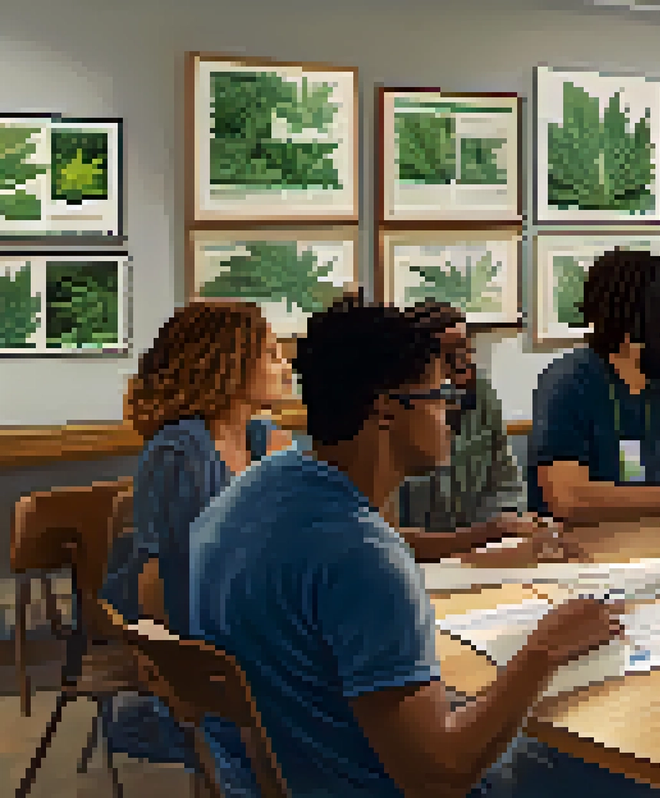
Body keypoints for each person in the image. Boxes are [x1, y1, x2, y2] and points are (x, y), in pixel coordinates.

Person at [186, 295, 622, 797]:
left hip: (264, 780)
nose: (451, 413)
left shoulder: (252, 493)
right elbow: (439, 775)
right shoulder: (363, 555)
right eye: (437, 396)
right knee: (620, 769)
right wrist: (545, 650)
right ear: (386, 411)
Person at [99, 300, 293, 768]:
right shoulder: (180, 450)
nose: (285, 365)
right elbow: (161, 575)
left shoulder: (272, 440)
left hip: (252, 621)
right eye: (270, 354)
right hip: (199, 634)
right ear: (227, 365)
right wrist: (183, 673)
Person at [527, 249, 660, 523]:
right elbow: (568, 499)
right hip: (572, 553)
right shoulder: (567, 382)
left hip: (651, 543)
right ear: (631, 325)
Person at [390, 300, 553, 563]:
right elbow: (391, 538)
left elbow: (505, 485)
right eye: (449, 352)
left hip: (475, 559)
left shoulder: (481, 395)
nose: (464, 359)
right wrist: (485, 533)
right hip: (416, 564)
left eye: (466, 346)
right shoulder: (398, 415)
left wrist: (512, 528)